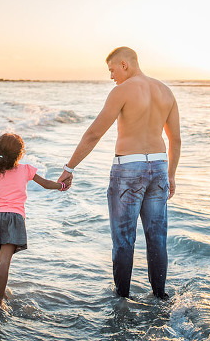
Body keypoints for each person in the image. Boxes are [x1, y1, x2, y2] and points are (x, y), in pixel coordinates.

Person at [57, 47, 181, 299]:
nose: (111, 76)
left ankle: (121, 300)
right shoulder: (166, 91)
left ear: (124, 64)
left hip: (129, 169)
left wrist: (69, 167)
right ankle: (160, 297)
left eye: (112, 70)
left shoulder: (122, 91)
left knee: (124, 240)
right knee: (157, 238)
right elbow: (175, 139)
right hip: (158, 166)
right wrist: (171, 174)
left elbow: (94, 133)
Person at [0, 133, 69, 309]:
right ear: (19, 154)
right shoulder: (26, 169)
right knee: (5, 261)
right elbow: (46, 184)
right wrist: (62, 185)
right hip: (14, 217)